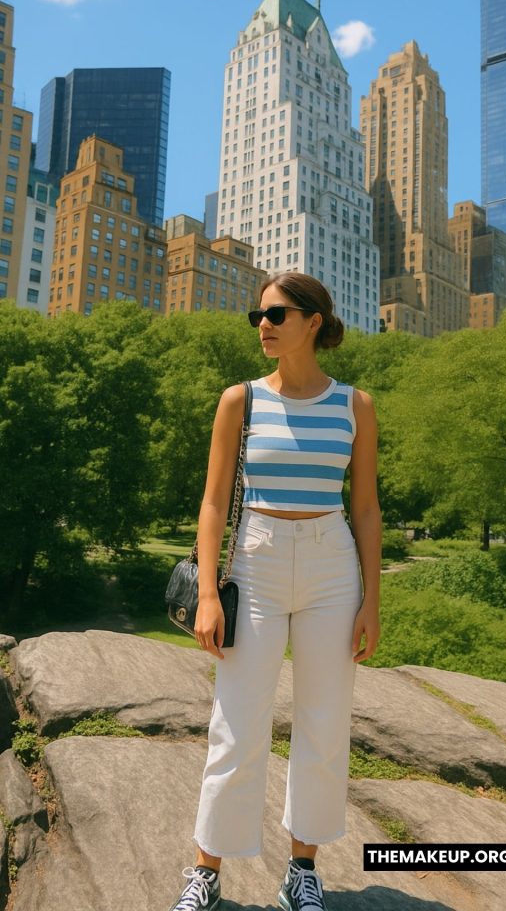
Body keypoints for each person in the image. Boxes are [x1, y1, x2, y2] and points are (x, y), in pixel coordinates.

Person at [169, 272, 381, 911]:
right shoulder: (241, 400)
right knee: (236, 722)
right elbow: (211, 503)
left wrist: (373, 598)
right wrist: (208, 593)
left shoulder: (355, 405)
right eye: (258, 314)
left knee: (325, 722)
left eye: (278, 313)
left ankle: (303, 869)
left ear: (314, 321)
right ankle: (206, 869)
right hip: (256, 564)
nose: (263, 323)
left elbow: (366, 508)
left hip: (332, 566)